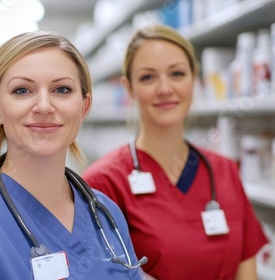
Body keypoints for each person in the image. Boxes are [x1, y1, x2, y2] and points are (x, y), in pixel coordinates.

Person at [0, 30, 145, 279]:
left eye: (61, 89)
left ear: (84, 107)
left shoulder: (107, 213)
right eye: (22, 91)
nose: (44, 107)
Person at [82, 24, 269, 280]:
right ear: (130, 88)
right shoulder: (104, 182)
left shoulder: (223, 169)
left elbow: (246, 269)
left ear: (194, 78)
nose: (165, 88)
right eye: (148, 77)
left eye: (177, 74)